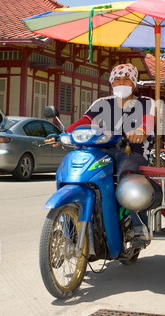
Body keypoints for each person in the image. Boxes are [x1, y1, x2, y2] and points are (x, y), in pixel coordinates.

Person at [46, 63, 155, 241]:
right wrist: (63, 135)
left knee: (125, 180)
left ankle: (139, 227)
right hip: (103, 150)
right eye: (117, 80)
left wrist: (141, 131)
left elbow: (148, 121)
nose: (121, 83)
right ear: (111, 83)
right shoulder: (102, 103)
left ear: (134, 83)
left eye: (126, 79)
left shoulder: (146, 102)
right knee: (79, 177)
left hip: (132, 152)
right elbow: (85, 120)